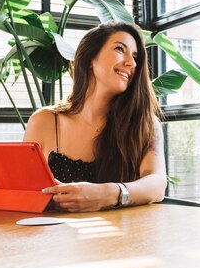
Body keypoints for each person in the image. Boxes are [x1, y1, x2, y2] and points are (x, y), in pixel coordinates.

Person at [23, 22, 166, 212]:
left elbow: (157, 184)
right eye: (119, 49)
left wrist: (108, 194)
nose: (131, 63)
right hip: (56, 237)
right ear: (91, 58)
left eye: (134, 56)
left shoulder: (145, 124)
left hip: (124, 237)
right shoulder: (44, 121)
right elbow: (23, 191)